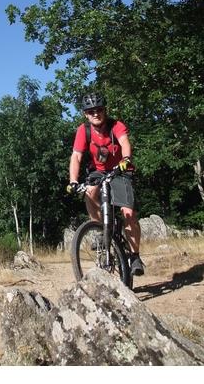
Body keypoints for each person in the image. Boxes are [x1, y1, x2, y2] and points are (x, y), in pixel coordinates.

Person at [68, 92, 145, 276]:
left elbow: (125, 142)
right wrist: (73, 180)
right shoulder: (83, 130)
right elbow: (76, 156)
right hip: (98, 172)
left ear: (105, 111)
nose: (96, 114)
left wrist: (126, 159)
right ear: (86, 114)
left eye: (99, 110)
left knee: (128, 213)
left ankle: (135, 256)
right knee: (90, 191)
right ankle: (100, 228)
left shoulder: (115, 126)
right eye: (91, 111)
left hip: (120, 169)